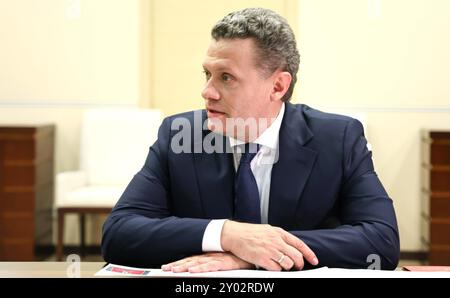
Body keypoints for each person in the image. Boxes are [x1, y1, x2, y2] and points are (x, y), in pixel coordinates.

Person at [101, 7, 399, 271]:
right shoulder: (180, 133)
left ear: (278, 86)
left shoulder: (338, 138)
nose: (207, 91)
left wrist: (254, 254)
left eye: (226, 77)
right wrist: (227, 235)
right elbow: (119, 233)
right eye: (207, 74)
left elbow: (381, 240)